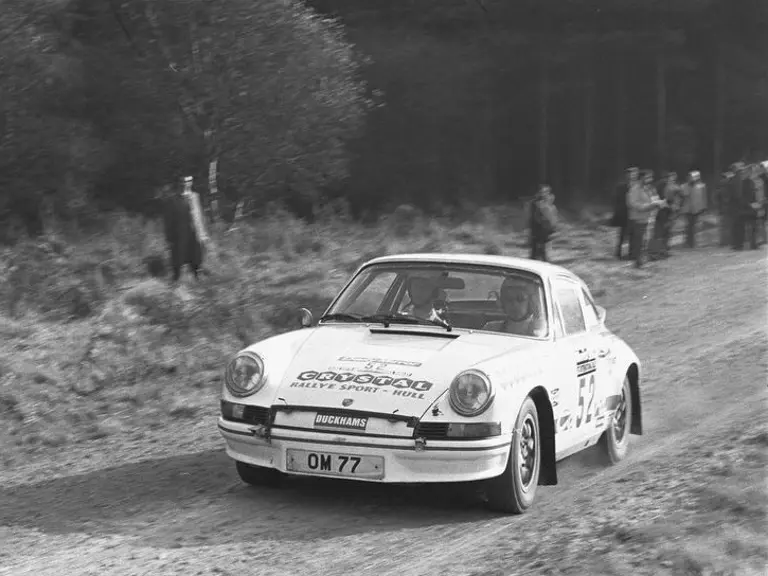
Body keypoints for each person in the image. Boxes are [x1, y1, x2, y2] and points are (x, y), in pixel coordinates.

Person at [627, 169, 666, 268]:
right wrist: (649, 206)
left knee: (643, 241)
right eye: (647, 177)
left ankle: (640, 261)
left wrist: (658, 203)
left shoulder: (647, 188)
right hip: (638, 219)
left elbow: (652, 199)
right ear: (641, 178)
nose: (650, 179)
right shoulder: (635, 189)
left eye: (651, 177)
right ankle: (637, 262)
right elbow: (634, 204)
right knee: (638, 241)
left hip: (646, 218)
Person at [611, 167, 636, 260]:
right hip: (623, 213)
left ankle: (631, 253)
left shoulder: (637, 186)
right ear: (626, 175)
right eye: (630, 174)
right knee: (621, 234)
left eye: (634, 174)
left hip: (634, 213)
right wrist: (617, 212)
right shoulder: (620, 186)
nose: (632, 176)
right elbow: (616, 200)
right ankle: (618, 253)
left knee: (632, 234)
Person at [528, 185, 558, 262]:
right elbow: (535, 218)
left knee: (543, 252)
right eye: (542, 192)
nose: (544, 194)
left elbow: (553, 218)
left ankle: (543, 264)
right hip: (538, 232)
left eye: (546, 192)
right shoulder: (536, 204)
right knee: (536, 253)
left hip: (546, 232)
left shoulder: (550, 205)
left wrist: (552, 228)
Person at [680, 170, 707, 248]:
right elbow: (681, 197)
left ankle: (691, 242)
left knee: (693, 226)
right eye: (690, 177)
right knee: (688, 226)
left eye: (693, 177)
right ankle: (688, 242)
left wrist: (704, 207)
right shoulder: (683, 186)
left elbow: (704, 198)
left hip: (696, 209)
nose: (691, 178)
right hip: (687, 209)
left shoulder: (701, 186)